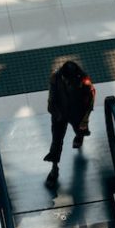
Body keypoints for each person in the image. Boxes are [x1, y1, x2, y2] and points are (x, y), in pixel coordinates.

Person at [43, 60, 96, 188]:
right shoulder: (56, 77)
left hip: (77, 112)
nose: (67, 82)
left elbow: (90, 100)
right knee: (56, 141)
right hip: (60, 113)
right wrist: (56, 113)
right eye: (65, 79)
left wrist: (85, 118)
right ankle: (54, 168)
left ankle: (79, 135)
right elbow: (52, 98)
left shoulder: (84, 81)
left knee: (80, 129)